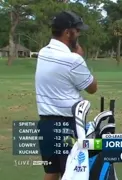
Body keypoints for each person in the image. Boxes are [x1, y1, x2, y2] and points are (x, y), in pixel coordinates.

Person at [35, 11, 97, 180]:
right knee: (73, 174)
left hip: (45, 125)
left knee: (52, 172)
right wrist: (80, 58)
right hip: (67, 126)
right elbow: (92, 88)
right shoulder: (73, 59)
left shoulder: (42, 53)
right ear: (68, 32)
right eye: (77, 31)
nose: (79, 34)